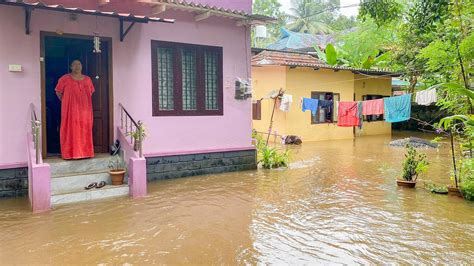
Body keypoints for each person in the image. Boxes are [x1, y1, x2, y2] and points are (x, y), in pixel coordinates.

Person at [55, 60, 95, 160]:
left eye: (79, 64)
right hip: (70, 110)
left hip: (85, 111)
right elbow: (58, 92)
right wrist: (67, 101)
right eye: (74, 64)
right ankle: (70, 154)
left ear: (82, 66)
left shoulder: (88, 80)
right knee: (70, 130)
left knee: (85, 129)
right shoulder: (64, 79)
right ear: (71, 67)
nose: (77, 66)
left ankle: (86, 153)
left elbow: (90, 92)